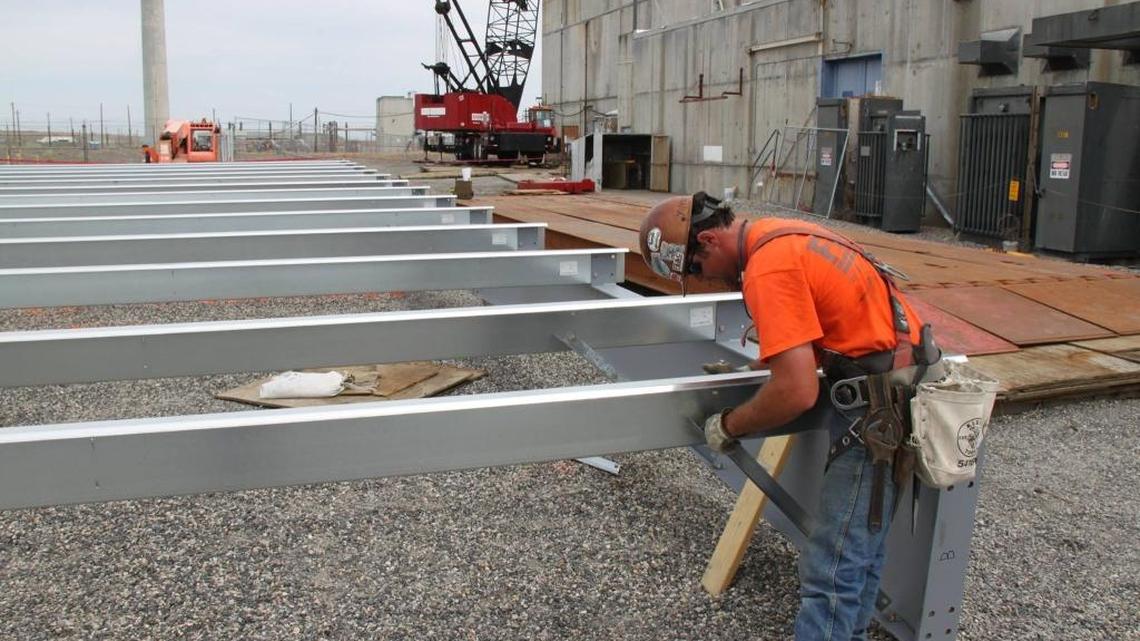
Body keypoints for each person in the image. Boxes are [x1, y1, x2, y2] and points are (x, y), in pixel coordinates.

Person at [638, 192, 939, 641]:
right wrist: (774, 349)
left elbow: (797, 391)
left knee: (832, 568)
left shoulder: (768, 268)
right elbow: (833, 311)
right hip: (899, 386)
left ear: (709, 240)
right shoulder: (780, 234)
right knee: (862, 553)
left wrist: (729, 425)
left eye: (696, 269)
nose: (704, 280)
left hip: (876, 409)